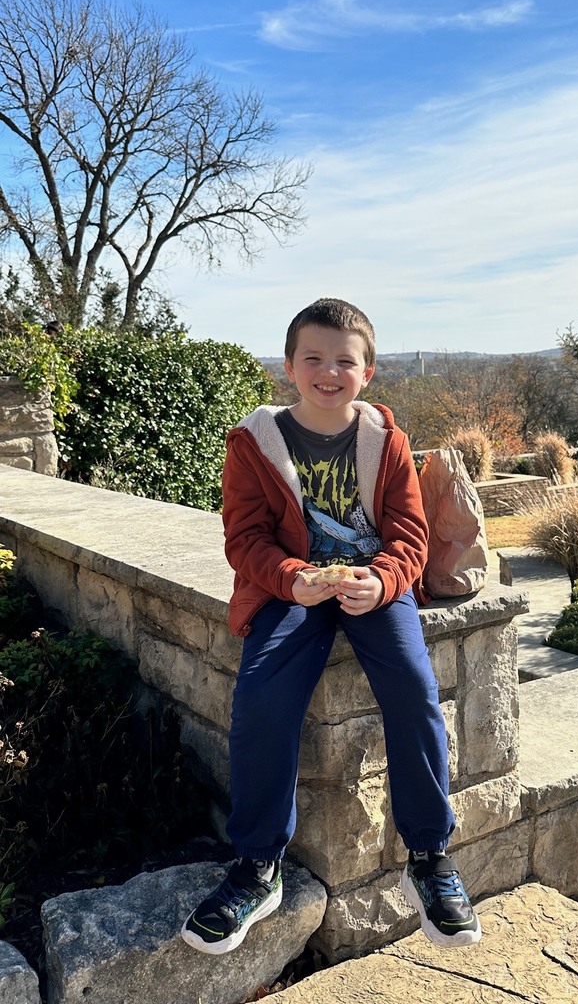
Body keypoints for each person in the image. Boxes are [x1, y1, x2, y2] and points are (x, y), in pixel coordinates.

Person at [181, 297, 481, 955]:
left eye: (344, 360)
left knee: (413, 689)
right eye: (312, 358)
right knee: (261, 698)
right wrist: (293, 578)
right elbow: (245, 539)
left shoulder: (386, 442)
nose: (327, 372)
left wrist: (381, 581)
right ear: (289, 366)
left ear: (367, 371)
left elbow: (409, 534)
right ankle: (259, 868)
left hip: (374, 587)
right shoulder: (254, 444)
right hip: (291, 589)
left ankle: (429, 858)